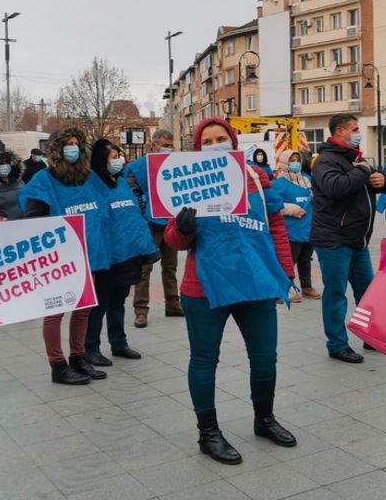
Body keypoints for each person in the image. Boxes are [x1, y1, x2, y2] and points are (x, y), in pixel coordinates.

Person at [164, 117, 296, 465]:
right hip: (203, 286)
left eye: (221, 138)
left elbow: (277, 226)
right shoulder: (184, 181)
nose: (215, 144)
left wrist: (284, 272)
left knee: (265, 357)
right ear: (197, 147)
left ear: (233, 141)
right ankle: (208, 432)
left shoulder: (255, 177)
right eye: (207, 141)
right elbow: (173, 240)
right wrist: (183, 228)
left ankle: (264, 419)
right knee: (205, 360)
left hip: (254, 281)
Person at [20, 127, 109, 385]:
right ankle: (57, 365)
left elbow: (102, 207)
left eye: (76, 143)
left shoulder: (88, 176)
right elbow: (33, 218)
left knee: (83, 309)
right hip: (60, 257)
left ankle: (78, 357)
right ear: (57, 149)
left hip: (88, 253)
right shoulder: (44, 180)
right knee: (56, 311)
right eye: (67, 144)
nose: (73, 148)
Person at [311, 114, 386, 364]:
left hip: (357, 240)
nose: (358, 133)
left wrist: (381, 181)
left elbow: (365, 182)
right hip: (334, 239)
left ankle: (371, 336)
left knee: (367, 292)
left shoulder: (354, 158)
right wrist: (363, 172)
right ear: (339, 131)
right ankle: (337, 344)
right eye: (355, 129)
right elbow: (336, 188)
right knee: (336, 293)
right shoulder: (326, 160)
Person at [84, 139, 156, 366]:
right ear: (100, 161)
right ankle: (91, 347)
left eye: (119, 155)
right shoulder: (92, 186)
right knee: (100, 303)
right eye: (112, 157)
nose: (119, 160)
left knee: (119, 300)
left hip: (128, 253)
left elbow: (134, 213)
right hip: (106, 256)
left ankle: (119, 343)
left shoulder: (122, 182)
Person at [126, 129, 182, 327]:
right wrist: (145, 211)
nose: (167, 149)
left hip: (170, 223)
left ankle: (173, 304)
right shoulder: (138, 168)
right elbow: (133, 193)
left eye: (170, 145)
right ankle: (141, 310)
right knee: (144, 268)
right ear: (153, 145)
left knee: (170, 266)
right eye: (164, 145)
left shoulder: (175, 165)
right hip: (149, 224)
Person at [274, 149, 318, 302]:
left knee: (306, 259)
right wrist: (292, 209)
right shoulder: (279, 183)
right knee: (288, 260)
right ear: (285, 162)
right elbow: (274, 205)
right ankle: (282, 290)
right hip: (291, 229)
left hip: (308, 227)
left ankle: (306, 287)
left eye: (297, 160)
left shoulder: (307, 179)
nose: (295, 163)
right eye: (291, 160)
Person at [0, 148, 25, 220]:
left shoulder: (20, 183)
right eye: (0, 164)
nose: (4, 166)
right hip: (7, 227)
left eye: (6, 163)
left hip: (26, 224)